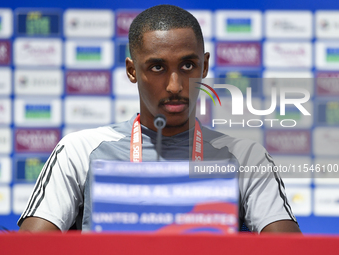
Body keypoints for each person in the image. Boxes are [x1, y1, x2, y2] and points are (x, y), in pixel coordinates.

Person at [18, 4, 301, 233]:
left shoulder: (246, 156)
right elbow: (29, 249)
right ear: (131, 71)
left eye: (188, 65)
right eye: (157, 67)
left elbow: (290, 250)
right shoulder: (79, 150)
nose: (175, 85)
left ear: (205, 66)